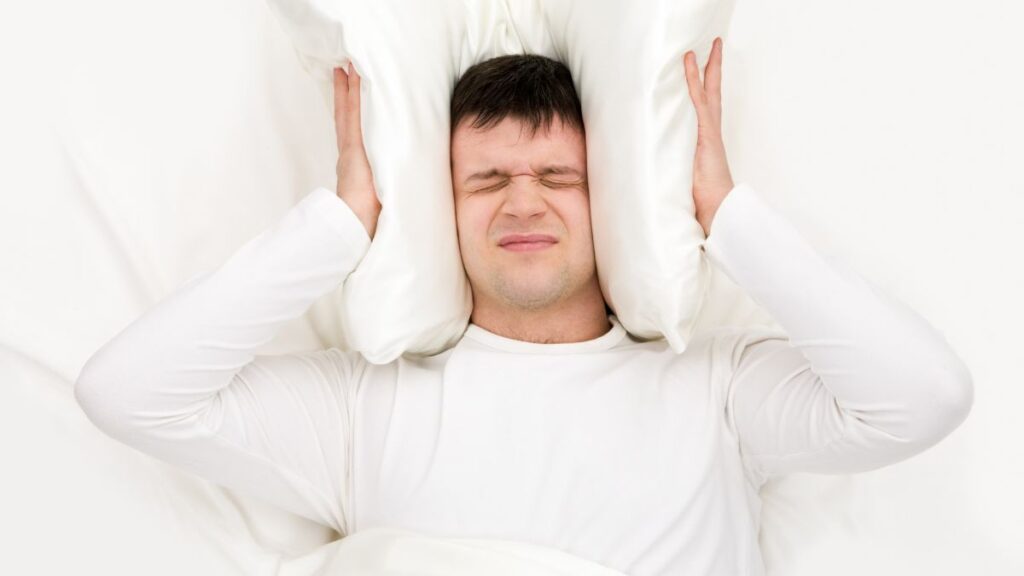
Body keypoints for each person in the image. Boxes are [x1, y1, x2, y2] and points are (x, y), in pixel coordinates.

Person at [73, 37, 973, 575]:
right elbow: (128, 393)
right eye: (486, 180)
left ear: (612, 195)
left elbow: (923, 397)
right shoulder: (359, 406)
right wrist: (338, 229)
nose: (523, 203)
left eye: (559, 176)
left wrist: (724, 216)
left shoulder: (717, 391)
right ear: (441, 206)